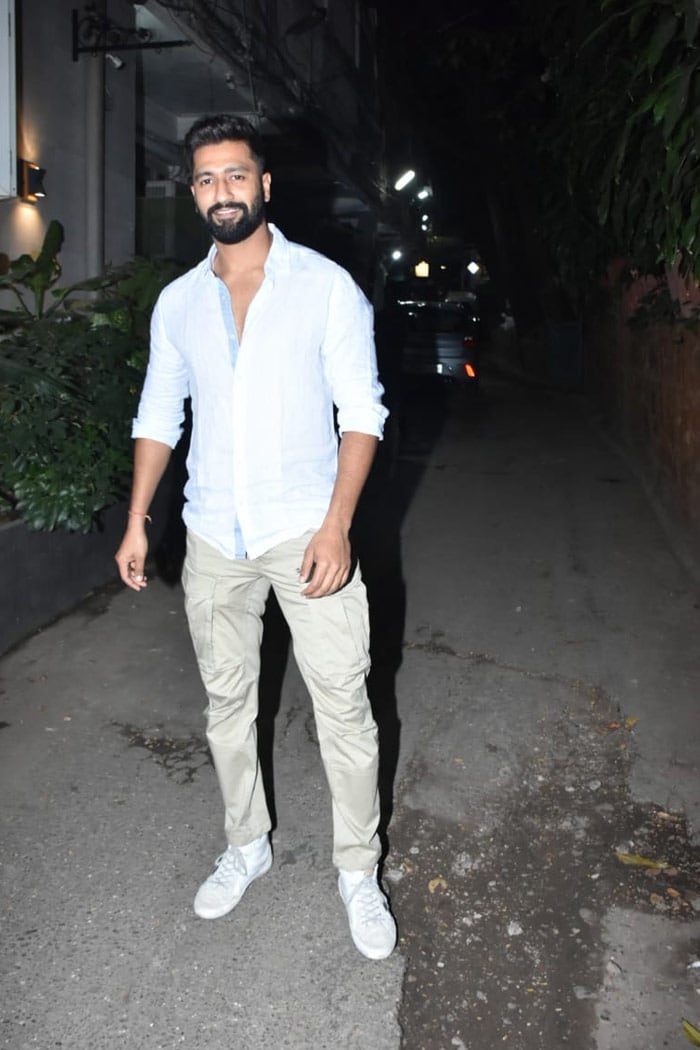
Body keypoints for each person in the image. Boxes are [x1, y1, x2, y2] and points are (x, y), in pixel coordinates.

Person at [115, 114, 396, 961]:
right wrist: (138, 518)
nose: (221, 193)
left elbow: (364, 413)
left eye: (236, 176)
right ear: (192, 192)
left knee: (344, 707)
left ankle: (358, 871)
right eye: (205, 180)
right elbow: (160, 414)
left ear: (265, 184)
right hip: (211, 535)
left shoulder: (323, 288)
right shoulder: (179, 303)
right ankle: (247, 845)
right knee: (228, 707)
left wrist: (338, 527)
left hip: (307, 530)